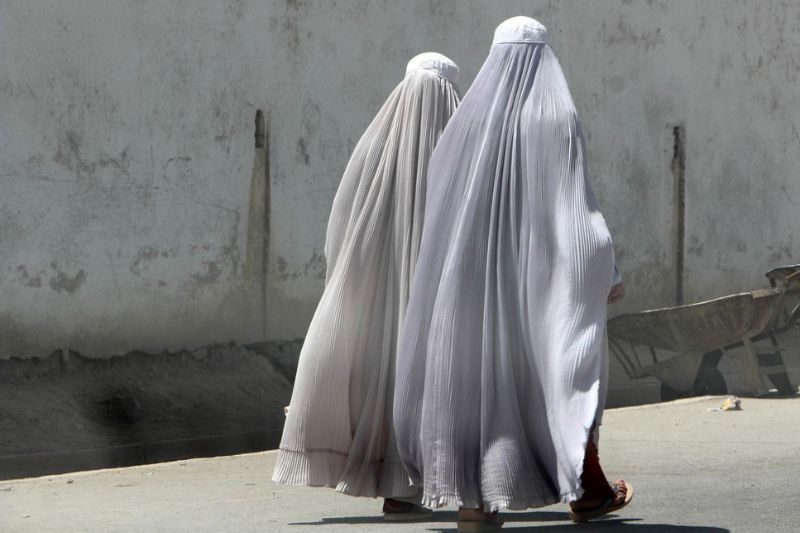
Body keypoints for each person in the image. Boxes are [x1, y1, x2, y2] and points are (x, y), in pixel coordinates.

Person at [393, 17, 631, 532]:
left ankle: (476, 505)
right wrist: (603, 268)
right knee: (546, 378)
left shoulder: (466, 122)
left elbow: (442, 208)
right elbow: (573, 206)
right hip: (534, 284)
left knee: (477, 387)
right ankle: (582, 487)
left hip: (468, 283)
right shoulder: (555, 116)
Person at [272, 52, 461, 520]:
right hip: (436, 298)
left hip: (375, 298)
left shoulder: (376, 145)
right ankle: (411, 486)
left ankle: (391, 479)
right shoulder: (462, 147)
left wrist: (347, 277)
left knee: (377, 380)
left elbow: (341, 224)